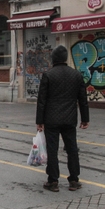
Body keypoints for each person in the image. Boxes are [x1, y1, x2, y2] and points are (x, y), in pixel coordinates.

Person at [35, 45, 89, 192]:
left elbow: (42, 100)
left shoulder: (48, 75)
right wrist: (85, 119)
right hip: (70, 119)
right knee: (72, 149)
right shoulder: (76, 75)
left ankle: (53, 181)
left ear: (53, 59)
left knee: (52, 150)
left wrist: (39, 121)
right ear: (66, 58)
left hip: (51, 119)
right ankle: (74, 180)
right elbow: (83, 99)